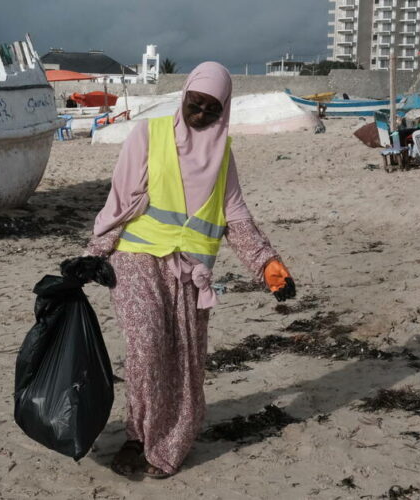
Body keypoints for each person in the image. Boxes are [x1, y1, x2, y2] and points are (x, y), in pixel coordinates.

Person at [83, 62, 296, 478]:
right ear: (183, 96)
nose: (200, 115)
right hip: (138, 256)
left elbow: (235, 216)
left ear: (225, 110)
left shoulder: (223, 155)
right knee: (146, 347)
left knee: (183, 359)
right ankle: (138, 436)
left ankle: (168, 442)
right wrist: (95, 252)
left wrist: (267, 264)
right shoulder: (148, 134)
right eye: (194, 104)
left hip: (191, 271)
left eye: (211, 109)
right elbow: (120, 199)